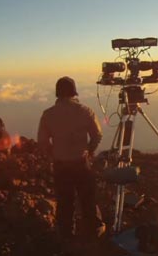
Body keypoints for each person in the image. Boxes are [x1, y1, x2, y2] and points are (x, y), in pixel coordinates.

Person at [37, 76, 105, 244]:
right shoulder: (85, 111)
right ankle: (94, 230)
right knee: (87, 198)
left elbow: (43, 142)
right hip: (81, 162)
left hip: (60, 165)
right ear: (74, 92)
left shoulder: (48, 115)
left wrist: (53, 155)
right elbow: (97, 135)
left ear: (57, 93)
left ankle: (66, 234)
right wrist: (89, 150)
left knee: (65, 201)